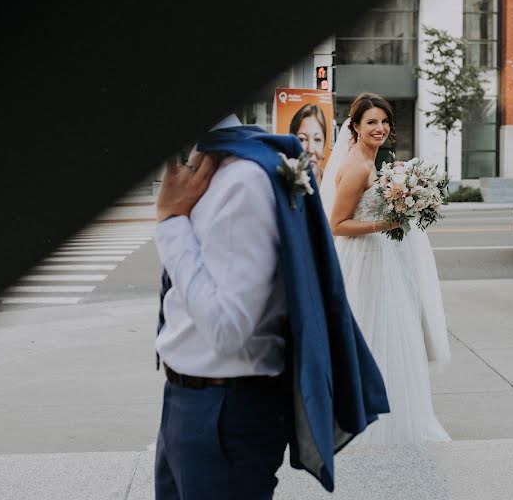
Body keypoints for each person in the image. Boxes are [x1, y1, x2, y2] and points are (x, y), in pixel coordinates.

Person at [153, 113, 388, 499]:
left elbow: (226, 329)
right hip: (188, 401)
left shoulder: (242, 177)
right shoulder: (208, 162)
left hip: (223, 414)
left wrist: (170, 224)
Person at [319, 92, 451, 445]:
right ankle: (363, 423)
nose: (379, 128)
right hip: (363, 260)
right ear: (357, 127)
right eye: (371, 122)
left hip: (381, 259)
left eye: (384, 121)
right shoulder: (357, 166)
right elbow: (337, 224)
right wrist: (386, 224)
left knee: (391, 334)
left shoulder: (372, 161)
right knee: (371, 332)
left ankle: (384, 414)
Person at [288, 103, 327, 186]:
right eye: (302, 139)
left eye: (317, 140)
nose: (310, 150)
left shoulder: (336, 191)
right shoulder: (281, 190)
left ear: (324, 149)